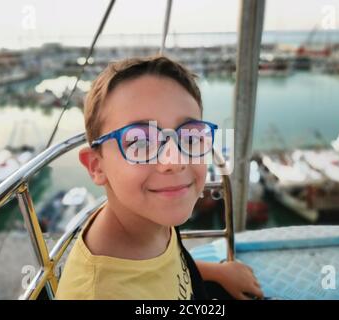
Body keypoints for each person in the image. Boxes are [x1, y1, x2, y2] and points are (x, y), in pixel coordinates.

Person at [55, 56, 263, 300]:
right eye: (141, 142)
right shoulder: (99, 292)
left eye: (191, 137)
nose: (174, 161)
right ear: (96, 166)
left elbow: (163, 270)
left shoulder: (148, 218)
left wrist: (216, 272)